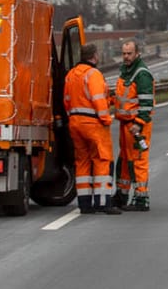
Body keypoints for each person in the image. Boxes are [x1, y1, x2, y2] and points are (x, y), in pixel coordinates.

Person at [63, 42, 119, 215]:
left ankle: (84, 204)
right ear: (94, 56)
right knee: (102, 160)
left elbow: (66, 100)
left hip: (75, 122)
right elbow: (98, 99)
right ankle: (103, 202)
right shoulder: (93, 74)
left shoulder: (71, 75)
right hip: (93, 124)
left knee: (82, 162)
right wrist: (106, 119)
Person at [113, 38, 156, 211]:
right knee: (124, 160)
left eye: (129, 53)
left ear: (137, 53)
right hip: (125, 124)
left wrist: (139, 122)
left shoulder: (141, 74)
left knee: (138, 161)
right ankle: (122, 195)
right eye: (124, 53)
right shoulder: (126, 71)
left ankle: (141, 199)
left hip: (137, 126)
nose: (126, 57)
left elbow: (146, 102)